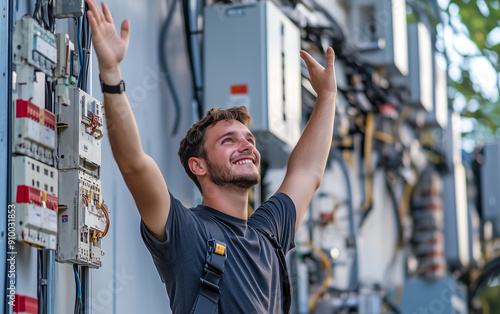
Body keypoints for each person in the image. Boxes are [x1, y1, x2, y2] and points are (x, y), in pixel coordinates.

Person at [86, 0, 337, 312]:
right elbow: (134, 165)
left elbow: (306, 173)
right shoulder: (188, 233)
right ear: (198, 165)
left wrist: (327, 97)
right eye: (228, 141)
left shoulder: (268, 232)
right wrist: (111, 73)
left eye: (249, 140)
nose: (247, 146)